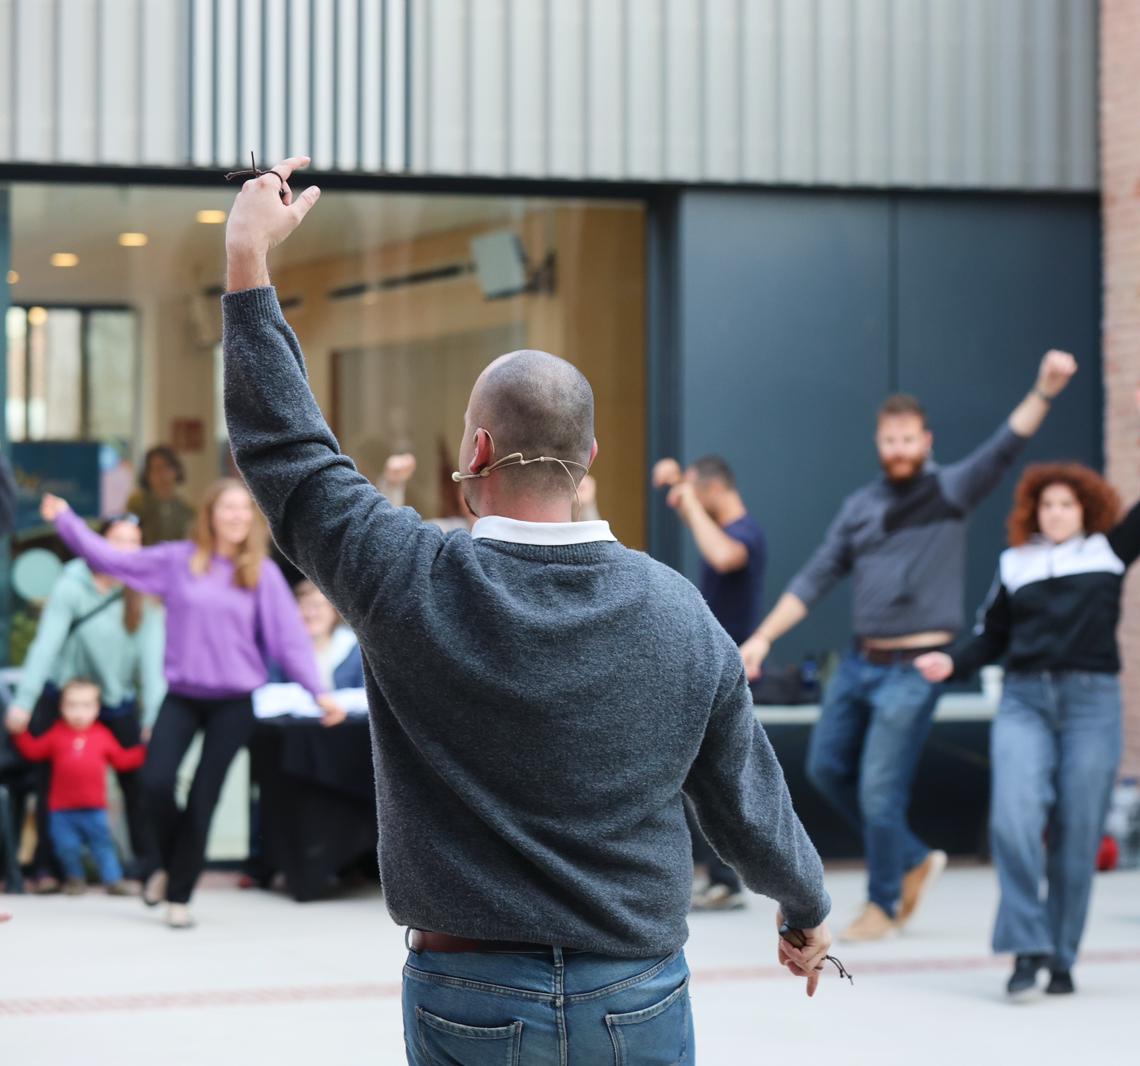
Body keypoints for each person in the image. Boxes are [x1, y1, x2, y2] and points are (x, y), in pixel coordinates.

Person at [221, 156, 834, 1064]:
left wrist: (247, 263)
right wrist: (805, 907)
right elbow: (746, 801)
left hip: (466, 992)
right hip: (637, 993)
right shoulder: (681, 612)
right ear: (587, 457)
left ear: (477, 449)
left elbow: (288, 455)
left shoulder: (407, 576)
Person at [740, 351, 1076, 942]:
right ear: (879, 442)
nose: (897, 448)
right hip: (861, 662)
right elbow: (815, 577)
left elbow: (1005, 445)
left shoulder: (950, 490)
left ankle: (884, 904)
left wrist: (1044, 391)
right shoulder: (860, 508)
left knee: (879, 786)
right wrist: (763, 637)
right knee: (824, 766)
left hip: (915, 669)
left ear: (926, 440)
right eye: (888, 439)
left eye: (907, 439)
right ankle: (916, 857)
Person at [916, 389, 1140, 997]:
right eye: (1048, 505)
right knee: (1012, 820)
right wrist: (948, 663)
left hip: (1092, 705)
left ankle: (1060, 955)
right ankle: (1025, 947)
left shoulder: (1109, 552)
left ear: (1087, 509)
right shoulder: (1015, 565)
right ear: (1035, 511)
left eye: (1068, 504)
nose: (1057, 513)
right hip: (1025, 702)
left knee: (1079, 830)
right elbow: (990, 639)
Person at [40, 478, 339, 930]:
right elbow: (110, 559)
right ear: (210, 514)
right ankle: (166, 862)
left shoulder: (260, 573)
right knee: (156, 782)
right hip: (182, 696)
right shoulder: (177, 562)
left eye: (245, 508)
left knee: (203, 798)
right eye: (228, 507)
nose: (238, 516)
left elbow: (289, 640)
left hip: (234, 703)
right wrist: (65, 519)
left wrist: (319, 693)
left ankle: (177, 894)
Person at [5, 514, 166, 891]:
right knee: (50, 782)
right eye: (118, 539)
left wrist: (154, 716)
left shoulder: (144, 588)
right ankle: (47, 870)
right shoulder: (73, 583)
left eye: (134, 541)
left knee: (138, 783)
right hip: (64, 696)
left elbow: (152, 662)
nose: (126, 548)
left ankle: (147, 867)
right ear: (97, 543)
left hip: (115, 700)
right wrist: (24, 702)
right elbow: (46, 644)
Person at [654, 454, 769, 910]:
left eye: (698, 495)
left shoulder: (746, 533)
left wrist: (690, 503)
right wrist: (684, 493)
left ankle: (729, 879)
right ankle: (722, 877)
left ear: (715, 490)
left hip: (732, 670)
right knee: (698, 775)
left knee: (720, 777)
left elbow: (721, 556)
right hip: (712, 669)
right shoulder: (723, 524)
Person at [5, 678, 147, 895]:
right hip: (61, 810)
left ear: (97, 708)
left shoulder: (102, 735)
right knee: (66, 848)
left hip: (95, 809)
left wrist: (145, 749)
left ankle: (113, 880)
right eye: (72, 705)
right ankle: (74, 879)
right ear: (61, 707)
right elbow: (34, 750)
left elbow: (122, 759)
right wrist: (19, 732)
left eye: (86, 705)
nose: (79, 712)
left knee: (103, 845)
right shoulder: (56, 734)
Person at [126, 446, 195, 546]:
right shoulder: (137, 503)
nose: (162, 475)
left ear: (176, 471)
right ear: (147, 475)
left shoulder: (188, 509)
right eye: (156, 469)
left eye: (167, 467)